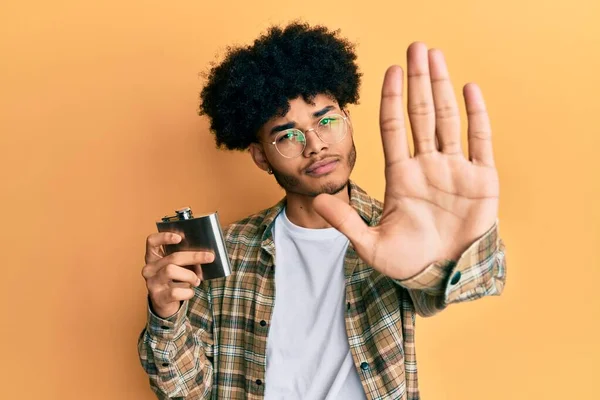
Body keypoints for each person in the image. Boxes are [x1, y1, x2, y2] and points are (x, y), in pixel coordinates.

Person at [137, 22, 507, 400]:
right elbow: (184, 392)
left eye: (326, 121)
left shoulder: (397, 231)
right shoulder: (225, 252)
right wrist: (165, 314)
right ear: (261, 156)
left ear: (347, 120)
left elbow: (481, 281)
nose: (314, 145)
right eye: (287, 135)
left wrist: (455, 251)